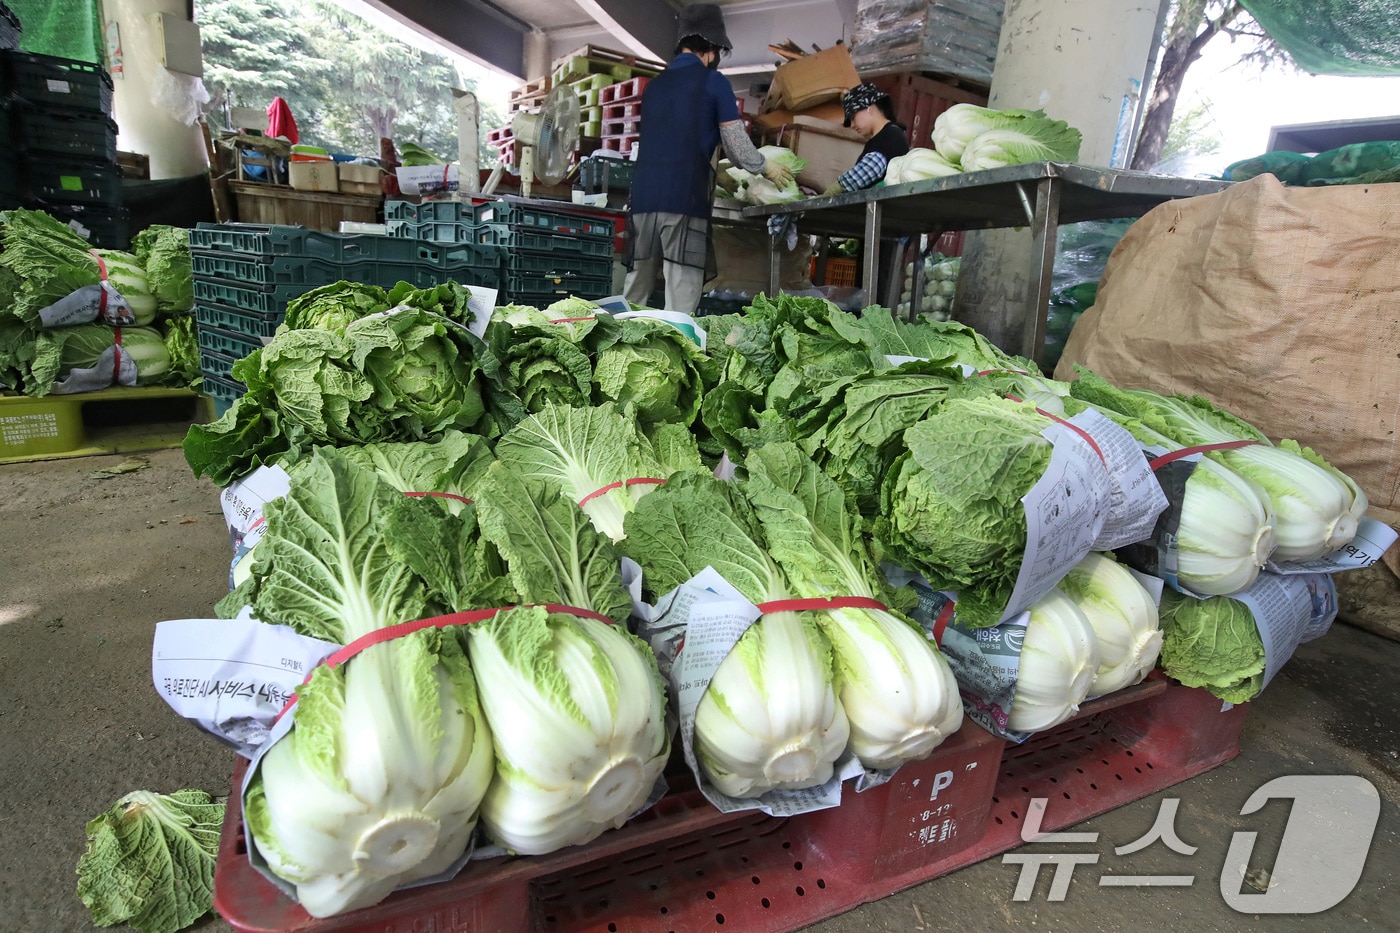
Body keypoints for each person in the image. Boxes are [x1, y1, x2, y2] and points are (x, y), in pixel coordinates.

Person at [624, 3, 794, 315]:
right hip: (683, 200)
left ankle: (616, 351)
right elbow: (736, 143)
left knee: (635, 291)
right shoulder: (713, 82)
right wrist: (764, 166)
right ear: (712, 49)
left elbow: (671, 139)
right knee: (680, 295)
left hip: (643, 201)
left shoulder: (655, 87)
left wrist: (718, 172)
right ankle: (676, 357)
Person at [821, 83, 909, 196]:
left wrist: (837, 188)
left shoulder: (889, 137)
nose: (852, 125)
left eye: (853, 117)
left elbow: (869, 169)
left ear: (870, 109)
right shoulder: (889, 134)